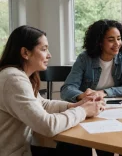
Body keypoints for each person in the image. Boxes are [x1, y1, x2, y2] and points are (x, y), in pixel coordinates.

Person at [0, 26, 104, 156]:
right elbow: (47, 126)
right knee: (76, 147)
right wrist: (83, 111)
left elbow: (42, 105)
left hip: (25, 149)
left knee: (77, 145)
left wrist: (75, 105)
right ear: (25, 53)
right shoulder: (13, 79)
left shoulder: (19, 75)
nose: (49, 55)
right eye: (44, 49)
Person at [61, 19, 122, 103]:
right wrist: (83, 96)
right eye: (111, 40)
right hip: (89, 104)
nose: (117, 43)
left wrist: (103, 93)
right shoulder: (84, 59)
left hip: (114, 105)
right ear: (99, 42)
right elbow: (67, 89)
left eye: (119, 38)